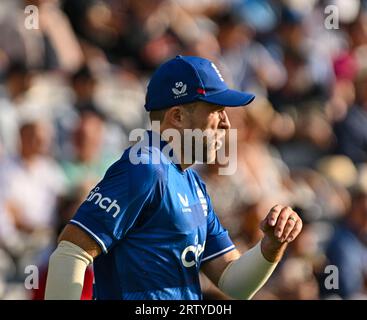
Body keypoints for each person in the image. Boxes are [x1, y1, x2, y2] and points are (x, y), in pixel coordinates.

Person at [44, 55, 303, 300]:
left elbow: (232, 281)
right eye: (216, 110)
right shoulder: (144, 168)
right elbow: (71, 252)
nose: (226, 124)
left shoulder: (192, 182)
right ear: (177, 116)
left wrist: (271, 245)